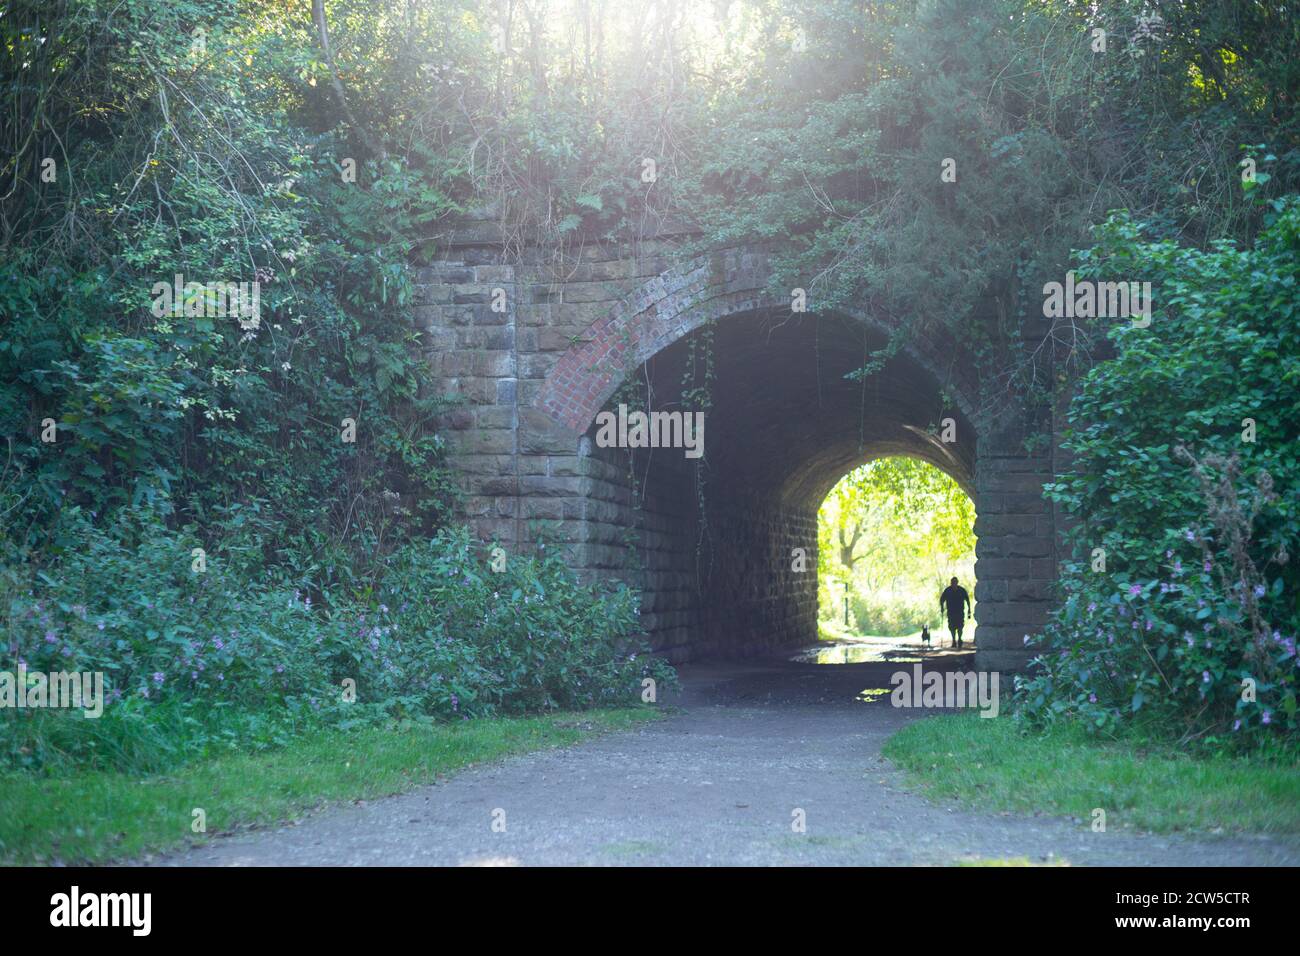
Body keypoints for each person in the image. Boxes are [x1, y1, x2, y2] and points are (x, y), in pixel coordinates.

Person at [939, 577, 971, 648]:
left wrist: (969, 610)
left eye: (955, 582)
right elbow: (942, 599)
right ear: (951, 583)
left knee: (960, 626)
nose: (954, 583)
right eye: (953, 582)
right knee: (951, 627)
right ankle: (954, 640)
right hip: (951, 612)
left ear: (957, 582)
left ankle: (959, 639)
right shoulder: (947, 590)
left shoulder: (962, 590)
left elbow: (967, 600)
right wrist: (942, 607)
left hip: (960, 612)